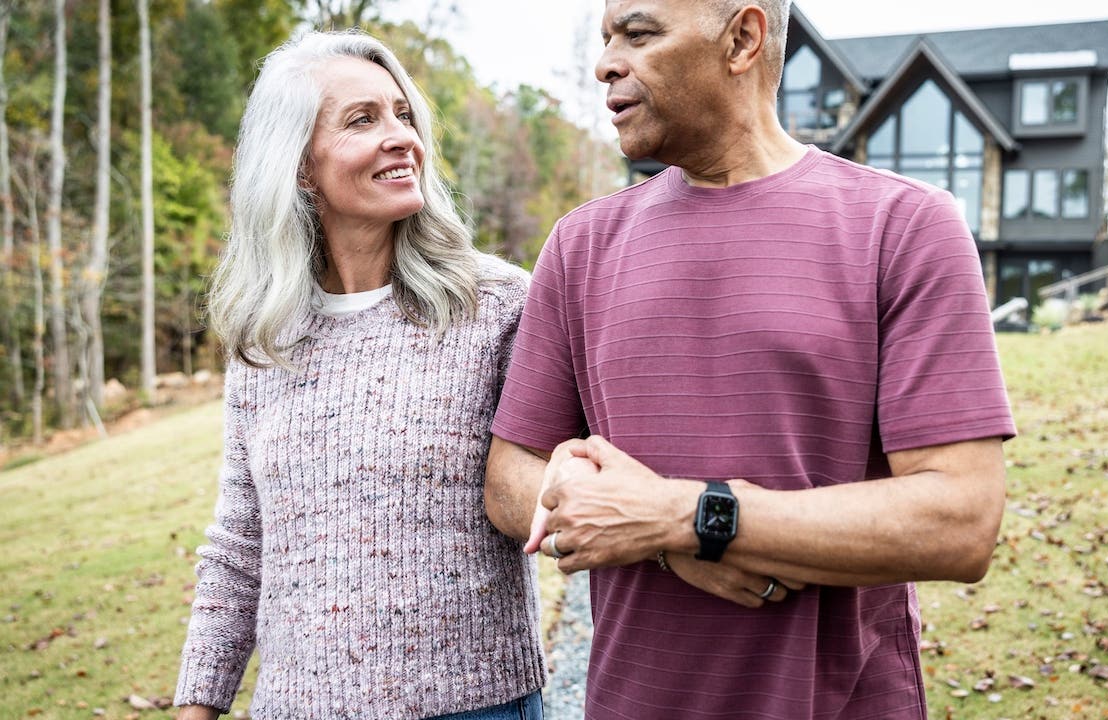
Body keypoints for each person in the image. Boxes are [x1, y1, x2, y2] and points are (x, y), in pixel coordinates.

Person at [483, 1, 1017, 718]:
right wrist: (666, 540)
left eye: (637, 34)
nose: (606, 63)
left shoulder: (904, 227)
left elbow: (961, 520)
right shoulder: (580, 245)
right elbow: (508, 481)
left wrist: (691, 517)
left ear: (741, 39)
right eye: (607, 38)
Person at [173, 31, 545, 720]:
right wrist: (198, 706)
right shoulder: (266, 335)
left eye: (403, 115)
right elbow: (240, 545)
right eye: (362, 119)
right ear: (300, 166)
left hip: (472, 705)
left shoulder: (496, 305)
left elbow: (563, 486)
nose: (401, 137)